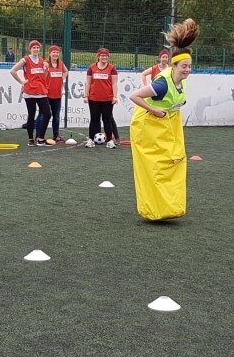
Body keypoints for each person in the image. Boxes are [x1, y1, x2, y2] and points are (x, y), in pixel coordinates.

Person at [129, 18, 200, 220]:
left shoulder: (183, 82)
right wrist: (153, 110)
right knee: (155, 168)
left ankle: (170, 207)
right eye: (184, 66)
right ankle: (154, 210)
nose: (188, 70)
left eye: (189, 66)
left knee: (175, 162)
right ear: (173, 66)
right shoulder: (161, 84)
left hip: (168, 124)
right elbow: (134, 96)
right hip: (148, 125)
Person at [10, 40, 52, 146]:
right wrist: (22, 82)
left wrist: (46, 69)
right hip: (30, 92)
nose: (36, 49)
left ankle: (40, 137)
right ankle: (30, 139)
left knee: (47, 114)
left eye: (37, 47)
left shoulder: (42, 61)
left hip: (41, 92)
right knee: (31, 115)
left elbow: (44, 76)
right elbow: (13, 71)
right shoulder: (26, 59)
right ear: (30, 49)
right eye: (34, 47)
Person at [84, 48, 118, 149]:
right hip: (93, 98)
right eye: (102, 55)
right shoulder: (92, 68)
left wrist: (115, 96)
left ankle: (110, 140)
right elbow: (88, 83)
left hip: (107, 99)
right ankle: (91, 140)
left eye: (106, 55)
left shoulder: (112, 68)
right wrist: (86, 95)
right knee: (94, 119)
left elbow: (114, 83)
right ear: (98, 56)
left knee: (107, 120)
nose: (104, 57)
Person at [35, 45, 68, 142]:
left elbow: (66, 71)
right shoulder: (46, 64)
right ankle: (38, 136)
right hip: (46, 95)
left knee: (56, 115)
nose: (55, 54)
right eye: (53, 52)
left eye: (57, 53)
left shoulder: (60, 64)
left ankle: (56, 135)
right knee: (42, 114)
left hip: (57, 95)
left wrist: (62, 80)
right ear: (49, 53)